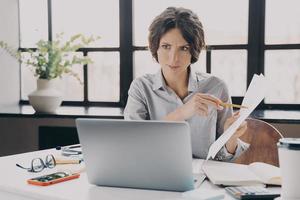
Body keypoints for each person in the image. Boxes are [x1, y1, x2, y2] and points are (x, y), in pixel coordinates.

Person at [124, 7, 248, 161]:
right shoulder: (141, 88)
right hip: (154, 174)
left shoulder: (216, 87)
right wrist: (181, 113)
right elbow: (133, 144)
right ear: (155, 47)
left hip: (204, 179)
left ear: (194, 51)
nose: (173, 58)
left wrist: (231, 137)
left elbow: (223, 158)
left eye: (184, 48)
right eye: (166, 46)